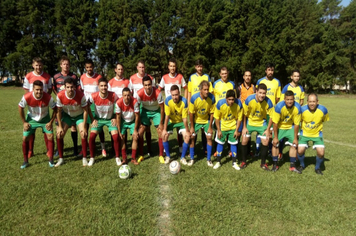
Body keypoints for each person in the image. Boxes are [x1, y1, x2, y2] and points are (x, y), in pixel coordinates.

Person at [18, 80, 56, 169]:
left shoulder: (48, 97)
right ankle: (25, 161)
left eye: (40, 89)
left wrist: (50, 122)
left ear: (43, 89)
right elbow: (20, 107)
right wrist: (24, 122)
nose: (39, 91)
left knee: (50, 136)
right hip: (31, 120)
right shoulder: (27, 97)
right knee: (25, 138)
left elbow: (56, 109)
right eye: (37, 89)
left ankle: (51, 160)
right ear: (33, 89)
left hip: (45, 120)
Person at [23, 57, 53, 158]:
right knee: (32, 129)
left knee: (46, 128)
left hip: (44, 106)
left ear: (42, 65)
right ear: (33, 65)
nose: (38, 67)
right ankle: (31, 150)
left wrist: (45, 100)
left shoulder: (47, 76)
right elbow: (26, 91)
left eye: (40, 65)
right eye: (36, 65)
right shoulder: (28, 76)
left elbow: (49, 90)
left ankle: (49, 150)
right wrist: (31, 100)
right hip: (32, 106)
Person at [55, 78, 89, 167]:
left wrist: (84, 126)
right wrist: (59, 126)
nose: (70, 89)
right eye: (68, 87)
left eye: (72, 87)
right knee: (59, 134)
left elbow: (86, 110)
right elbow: (58, 111)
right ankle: (61, 158)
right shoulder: (60, 95)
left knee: (83, 134)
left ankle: (84, 158)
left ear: (75, 87)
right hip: (67, 116)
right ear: (64, 87)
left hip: (79, 116)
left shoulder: (81, 95)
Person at [240, 83, 274, 170]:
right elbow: (244, 114)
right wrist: (244, 127)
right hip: (250, 122)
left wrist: (267, 129)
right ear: (256, 92)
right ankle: (244, 161)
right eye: (260, 93)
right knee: (244, 140)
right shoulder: (249, 99)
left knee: (266, 141)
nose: (262, 95)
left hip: (261, 123)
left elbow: (271, 117)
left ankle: (263, 163)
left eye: (264, 93)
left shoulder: (268, 102)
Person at [88, 78, 120, 167]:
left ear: (107, 86)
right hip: (98, 120)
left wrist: (115, 117)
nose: (103, 88)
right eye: (101, 86)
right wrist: (92, 119)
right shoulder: (93, 96)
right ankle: (92, 158)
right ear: (98, 87)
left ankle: (117, 157)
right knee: (91, 137)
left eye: (105, 85)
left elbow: (119, 106)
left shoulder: (113, 95)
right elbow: (86, 106)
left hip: (110, 120)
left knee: (115, 136)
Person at [53, 56, 80, 156]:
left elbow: (77, 89)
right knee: (59, 128)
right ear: (61, 65)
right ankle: (58, 150)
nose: (66, 66)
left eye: (68, 64)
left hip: (71, 104)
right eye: (64, 64)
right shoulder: (56, 77)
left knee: (73, 126)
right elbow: (54, 89)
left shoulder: (74, 76)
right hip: (61, 104)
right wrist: (60, 97)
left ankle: (75, 149)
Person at [159, 58, 187, 153]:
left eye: (174, 66)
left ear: (176, 67)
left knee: (179, 128)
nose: (172, 68)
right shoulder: (164, 77)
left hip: (178, 104)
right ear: (168, 67)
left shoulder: (180, 77)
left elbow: (185, 88)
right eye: (171, 66)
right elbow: (159, 89)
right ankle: (164, 147)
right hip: (168, 105)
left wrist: (185, 99)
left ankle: (180, 146)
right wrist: (160, 101)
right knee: (166, 126)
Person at [297, 93, 329, 175]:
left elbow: (324, 119)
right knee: (300, 150)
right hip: (304, 133)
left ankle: (317, 168)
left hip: (317, 134)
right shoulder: (302, 110)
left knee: (321, 153)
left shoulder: (323, 110)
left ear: (317, 101)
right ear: (307, 102)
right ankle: (302, 165)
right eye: (310, 101)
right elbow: (299, 121)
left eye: (314, 101)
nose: (312, 103)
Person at [135, 76, 165, 163]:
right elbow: (137, 109)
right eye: (146, 85)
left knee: (160, 130)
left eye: (149, 85)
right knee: (141, 131)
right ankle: (141, 154)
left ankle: (160, 155)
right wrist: (140, 122)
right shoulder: (139, 93)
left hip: (156, 111)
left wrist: (161, 123)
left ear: (152, 84)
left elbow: (162, 108)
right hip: (145, 111)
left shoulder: (157, 92)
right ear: (143, 85)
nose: (148, 87)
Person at [80, 59, 106, 156]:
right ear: (85, 68)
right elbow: (82, 90)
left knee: (99, 127)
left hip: (96, 106)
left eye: (90, 67)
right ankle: (86, 148)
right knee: (85, 126)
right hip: (86, 106)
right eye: (87, 67)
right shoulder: (82, 77)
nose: (89, 69)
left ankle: (103, 148)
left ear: (93, 67)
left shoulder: (98, 77)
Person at [271, 90, 302, 173]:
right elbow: (275, 123)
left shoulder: (297, 107)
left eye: (291, 99)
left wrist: (295, 138)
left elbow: (296, 124)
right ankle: (275, 164)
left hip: (290, 127)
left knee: (294, 144)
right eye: (287, 99)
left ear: (294, 99)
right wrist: (276, 138)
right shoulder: (279, 107)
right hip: (280, 127)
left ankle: (292, 166)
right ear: (284, 99)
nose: (289, 101)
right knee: (275, 144)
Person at [187, 59, 213, 155]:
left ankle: (205, 148)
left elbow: (210, 91)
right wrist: (189, 104)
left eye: (201, 66)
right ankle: (192, 151)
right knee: (193, 128)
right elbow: (189, 91)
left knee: (204, 130)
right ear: (195, 67)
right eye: (198, 66)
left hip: (204, 104)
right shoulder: (191, 77)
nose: (200, 68)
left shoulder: (206, 76)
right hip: (195, 105)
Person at [255, 63, 281, 156]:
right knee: (260, 129)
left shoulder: (277, 82)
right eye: (269, 70)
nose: (270, 72)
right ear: (266, 70)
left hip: (272, 111)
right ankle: (257, 150)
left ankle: (270, 150)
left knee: (270, 131)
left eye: (272, 70)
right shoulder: (260, 81)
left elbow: (278, 98)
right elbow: (257, 94)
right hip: (261, 111)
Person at [129, 60, 155, 157]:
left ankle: (149, 149)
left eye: (143, 67)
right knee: (139, 127)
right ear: (137, 67)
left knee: (147, 128)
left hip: (146, 105)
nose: (142, 69)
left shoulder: (150, 78)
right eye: (140, 67)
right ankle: (140, 150)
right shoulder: (132, 78)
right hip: (137, 106)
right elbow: (130, 93)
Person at [213, 89, 243, 170]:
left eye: (233, 99)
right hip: (222, 127)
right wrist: (218, 130)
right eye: (229, 99)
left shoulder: (239, 103)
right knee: (220, 143)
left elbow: (239, 119)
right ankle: (218, 162)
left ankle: (234, 162)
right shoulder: (220, 103)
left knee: (233, 144)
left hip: (233, 127)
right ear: (226, 99)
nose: (231, 101)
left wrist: (237, 130)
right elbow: (217, 118)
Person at [161, 85, 191, 164]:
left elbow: (185, 118)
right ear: (170, 94)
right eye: (173, 95)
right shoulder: (167, 101)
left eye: (176, 95)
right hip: (171, 122)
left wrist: (187, 131)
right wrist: (164, 130)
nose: (175, 97)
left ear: (179, 93)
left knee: (187, 137)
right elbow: (167, 116)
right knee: (164, 135)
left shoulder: (184, 101)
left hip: (181, 122)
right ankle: (168, 156)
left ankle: (182, 158)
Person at [278, 69, 305, 158]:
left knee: (295, 134)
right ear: (291, 77)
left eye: (298, 76)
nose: (297, 78)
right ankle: (280, 152)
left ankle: (295, 154)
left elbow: (302, 101)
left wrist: (296, 108)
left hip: (296, 114)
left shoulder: (300, 88)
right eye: (295, 76)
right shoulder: (286, 87)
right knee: (282, 134)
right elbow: (282, 100)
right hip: (287, 114)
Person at [189, 81, 215, 167]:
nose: (207, 91)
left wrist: (210, 127)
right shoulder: (194, 98)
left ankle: (209, 159)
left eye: (208, 89)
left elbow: (212, 113)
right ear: (201, 90)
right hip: (196, 120)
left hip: (206, 120)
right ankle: (192, 158)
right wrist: (192, 127)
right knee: (192, 137)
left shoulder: (212, 98)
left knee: (209, 137)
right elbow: (191, 113)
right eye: (205, 90)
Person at [212, 66, 236, 157]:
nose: (224, 75)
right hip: (219, 112)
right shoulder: (215, 84)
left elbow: (234, 97)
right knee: (217, 131)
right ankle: (216, 150)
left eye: (226, 73)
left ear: (228, 73)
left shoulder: (232, 84)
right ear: (220, 74)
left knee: (230, 130)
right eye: (222, 74)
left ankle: (230, 150)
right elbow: (213, 97)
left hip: (229, 111)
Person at [116, 87, 140, 165]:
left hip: (132, 121)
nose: (127, 97)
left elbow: (137, 116)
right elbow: (118, 118)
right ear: (122, 96)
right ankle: (124, 158)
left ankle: (133, 158)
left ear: (131, 95)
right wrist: (119, 131)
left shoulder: (135, 101)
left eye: (128, 95)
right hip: (123, 121)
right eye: (125, 95)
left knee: (135, 137)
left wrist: (136, 130)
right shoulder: (119, 102)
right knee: (121, 137)